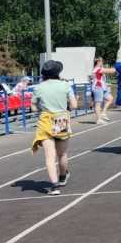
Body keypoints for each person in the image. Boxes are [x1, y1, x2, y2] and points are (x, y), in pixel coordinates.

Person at [30, 60, 78, 195]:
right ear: (58, 72)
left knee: (49, 157)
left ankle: (54, 186)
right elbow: (74, 105)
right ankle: (62, 177)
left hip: (45, 120)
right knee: (62, 153)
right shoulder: (65, 85)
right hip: (60, 119)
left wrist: (40, 108)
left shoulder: (38, 87)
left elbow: (33, 108)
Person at [91, 57, 116, 124]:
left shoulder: (99, 69)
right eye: (102, 61)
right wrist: (119, 66)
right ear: (98, 62)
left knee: (110, 98)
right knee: (98, 104)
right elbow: (111, 71)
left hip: (102, 87)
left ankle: (103, 113)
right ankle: (98, 119)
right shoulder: (97, 69)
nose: (102, 63)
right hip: (97, 87)